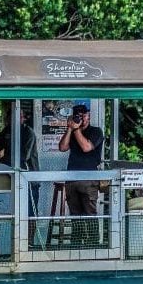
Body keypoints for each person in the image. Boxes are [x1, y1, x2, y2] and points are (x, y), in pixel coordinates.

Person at [58, 103, 104, 244]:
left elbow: (86, 147)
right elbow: (62, 147)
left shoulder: (96, 131)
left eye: (84, 116)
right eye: (78, 116)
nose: (81, 119)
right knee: (74, 213)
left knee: (90, 212)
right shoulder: (72, 131)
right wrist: (70, 129)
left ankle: (93, 243)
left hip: (89, 179)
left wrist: (76, 130)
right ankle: (76, 242)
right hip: (72, 178)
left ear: (89, 116)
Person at [0, 106, 40, 219]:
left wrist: (3, 158)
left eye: (21, 117)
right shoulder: (7, 130)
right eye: (17, 117)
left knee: (30, 214)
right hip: (12, 178)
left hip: (29, 179)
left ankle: (30, 237)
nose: (20, 119)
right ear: (9, 119)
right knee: (13, 212)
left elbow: (23, 157)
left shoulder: (28, 133)